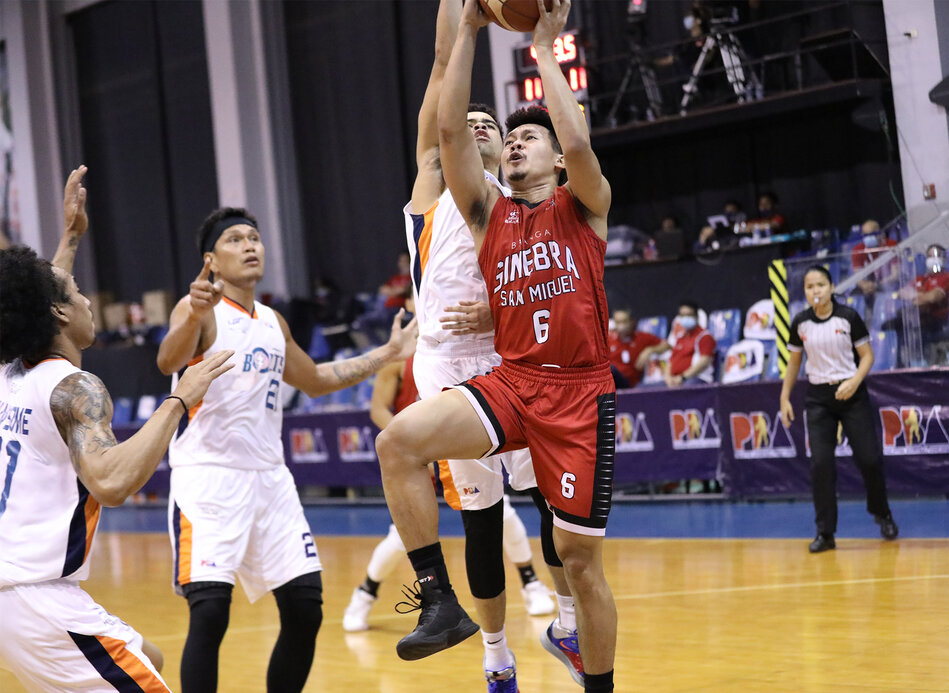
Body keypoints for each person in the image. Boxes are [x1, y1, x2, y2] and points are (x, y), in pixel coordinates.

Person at [377, 1, 617, 691]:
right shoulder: (486, 211)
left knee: (574, 552)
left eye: (521, 134)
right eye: (501, 134)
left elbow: (575, 147)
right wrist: (472, 24)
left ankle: (580, 646)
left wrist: (544, 48)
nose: (509, 139)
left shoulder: (582, 204)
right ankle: (454, 612)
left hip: (573, 390)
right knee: (402, 449)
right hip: (502, 378)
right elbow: (446, 125)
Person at [155, 207, 416, 693]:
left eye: (254, 237)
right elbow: (167, 359)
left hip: (270, 480)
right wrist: (192, 312)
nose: (250, 245)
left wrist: (387, 352)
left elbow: (315, 380)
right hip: (208, 478)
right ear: (210, 260)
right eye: (235, 239)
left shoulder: (274, 321)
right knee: (210, 612)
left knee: (304, 608)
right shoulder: (200, 309)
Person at [0, 167, 234, 692]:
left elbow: (43, 296)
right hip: (42, 602)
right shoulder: (73, 386)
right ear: (59, 313)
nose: (87, 301)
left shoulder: (11, 373)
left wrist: (71, 237)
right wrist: (178, 400)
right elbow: (110, 483)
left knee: (147, 653)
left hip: (14, 598)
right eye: (79, 293)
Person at [343, 315, 555, 633]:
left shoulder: (472, 347)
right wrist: (415, 446)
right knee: (401, 538)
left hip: (458, 441)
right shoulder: (403, 358)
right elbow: (378, 409)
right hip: (418, 454)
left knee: (502, 516)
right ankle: (365, 593)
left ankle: (532, 584)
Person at [779, 265, 898, 554]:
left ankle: (882, 513)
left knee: (869, 459)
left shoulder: (848, 317)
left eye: (820, 285)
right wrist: (784, 397)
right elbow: (794, 363)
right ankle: (825, 532)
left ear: (831, 288)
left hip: (852, 393)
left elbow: (867, 356)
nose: (815, 291)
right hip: (819, 398)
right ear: (805, 292)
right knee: (821, 464)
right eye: (809, 286)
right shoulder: (800, 323)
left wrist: (855, 381)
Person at [661, 300, 715, 386]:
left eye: (689, 315)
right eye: (682, 315)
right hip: (675, 380)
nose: (685, 318)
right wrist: (668, 378)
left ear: (696, 316)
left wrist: (683, 378)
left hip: (696, 379)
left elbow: (704, 361)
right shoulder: (679, 338)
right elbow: (670, 362)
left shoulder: (705, 337)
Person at [608, 308, 664, 388]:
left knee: (611, 370)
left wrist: (649, 350)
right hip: (609, 382)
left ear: (631, 321)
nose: (621, 326)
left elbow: (666, 345)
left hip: (629, 382)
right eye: (618, 322)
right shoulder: (609, 338)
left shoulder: (641, 337)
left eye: (624, 321)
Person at [850, 219, 899, 297]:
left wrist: (877, 285)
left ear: (879, 234)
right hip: (869, 285)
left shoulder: (891, 245)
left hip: (887, 283)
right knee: (854, 294)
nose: (868, 237)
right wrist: (864, 285)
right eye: (865, 235)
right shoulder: (857, 250)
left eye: (872, 234)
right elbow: (857, 277)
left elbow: (895, 275)